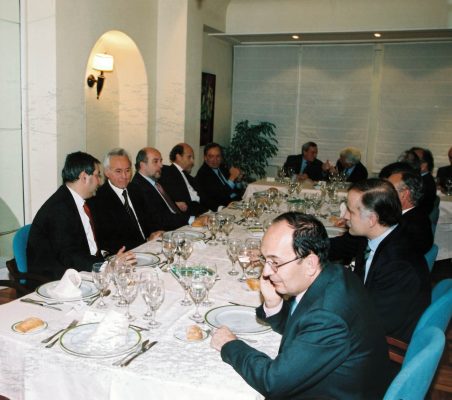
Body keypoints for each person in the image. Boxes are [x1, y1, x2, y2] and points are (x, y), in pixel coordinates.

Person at [211, 212, 391, 399]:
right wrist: (274, 303)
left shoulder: (328, 318)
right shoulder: (334, 274)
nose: (265, 272)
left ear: (310, 263)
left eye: (275, 262)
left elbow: (272, 382)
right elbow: (302, 327)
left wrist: (230, 345)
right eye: (265, 260)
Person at [329, 179, 431, 342]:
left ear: (372, 219)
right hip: (366, 314)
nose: (344, 216)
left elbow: (374, 326)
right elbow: (334, 248)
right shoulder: (374, 235)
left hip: (382, 344)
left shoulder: (399, 267)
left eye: (350, 211)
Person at [27, 151, 105, 279]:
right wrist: (103, 265)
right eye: (97, 175)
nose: (100, 182)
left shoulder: (79, 201)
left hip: (76, 269)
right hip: (54, 279)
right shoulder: (58, 208)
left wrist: (109, 260)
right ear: (84, 177)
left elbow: (87, 247)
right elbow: (68, 255)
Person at [88, 148, 156, 254]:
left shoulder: (136, 189)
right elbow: (109, 241)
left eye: (128, 170)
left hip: (150, 248)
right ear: (107, 172)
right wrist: (145, 242)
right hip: (125, 254)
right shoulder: (98, 199)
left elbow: (149, 220)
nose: (124, 176)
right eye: (118, 171)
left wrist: (155, 234)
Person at [130, 147, 207, 231]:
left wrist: (175, 204)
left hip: (177, 223)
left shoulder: (155, 181)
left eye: (161, 161)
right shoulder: (137, 188)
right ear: (142, 165)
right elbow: (160, 219)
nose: (161, 165)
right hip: (165, 231)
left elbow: (165, 206)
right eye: (155, 161)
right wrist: (192, 220)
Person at [387, 169, 434, 254]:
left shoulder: (414, 226)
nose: (382, 193)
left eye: (388, 189)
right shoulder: (404, 215)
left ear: (404, 194)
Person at [159, 143, 207, 216]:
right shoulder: (167, 174)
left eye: (193, 158)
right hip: (190, 215)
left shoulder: (189, 177)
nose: (192, 161)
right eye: (189, 157)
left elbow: (202, 196)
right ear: (178, 157)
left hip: (203, 211)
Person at [195, 142, 243, 211]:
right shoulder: (203, 174)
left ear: (221, 157)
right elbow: (220, 196)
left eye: (218, 156)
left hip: (237, 203)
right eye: (211, 156)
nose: (215, 160)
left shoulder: (222, 167)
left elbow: (237, 190)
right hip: (224, 207)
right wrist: (232, 178)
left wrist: (238, 180)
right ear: (205, 158)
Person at [401, 147, 437, 214]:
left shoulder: (423, 183)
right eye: (408, 158)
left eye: (413, 160)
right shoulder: (423, 179)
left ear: (423, 166)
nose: (407, 162)